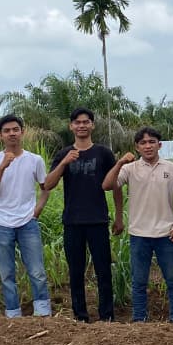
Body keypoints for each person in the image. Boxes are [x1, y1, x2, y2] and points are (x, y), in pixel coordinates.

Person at [44, 108, 123, 322]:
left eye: (86, 122)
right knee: (76, 271)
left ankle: (107, 316)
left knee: (103, 270)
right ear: (71, 126)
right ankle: (80, 316)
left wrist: (119, 217)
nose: (82, 126)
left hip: (98, 220)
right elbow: (48, 184)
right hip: (73, 221)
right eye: (77, 122)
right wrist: (64, 163)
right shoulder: (63, 154)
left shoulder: (103, 153)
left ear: (92, 125)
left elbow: (115, 185)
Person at [104, 127, 173, 322]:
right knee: (139, 281)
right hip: (139, 233)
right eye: (143, 143)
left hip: (167, 234)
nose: (148, 146)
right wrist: (120, 162)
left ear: (160, 145)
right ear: (137, 147)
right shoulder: (129, 169)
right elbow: (107, 185)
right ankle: (139, 319)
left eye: (152, 142)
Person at [0, 114, 51, 318]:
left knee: (37, 270)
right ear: (0, 135)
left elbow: (45, 187)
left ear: (22, 132)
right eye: (7, 131)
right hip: (1, 223)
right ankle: (13, 313)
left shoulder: (35, 160)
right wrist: (2, 167)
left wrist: (37, 210)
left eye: (15, 129)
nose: (11, 134)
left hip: (27, 222)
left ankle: (42, 311)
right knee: (6, 273)